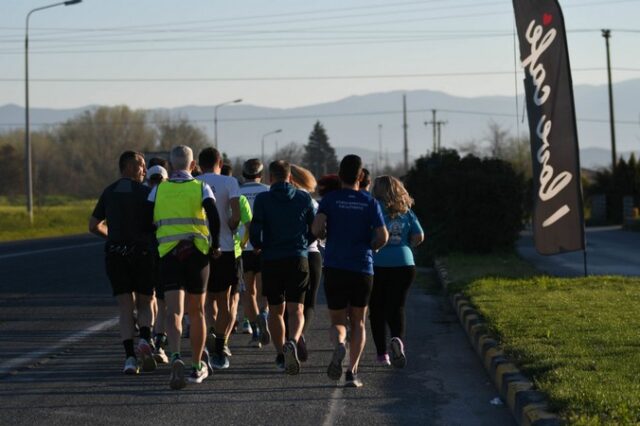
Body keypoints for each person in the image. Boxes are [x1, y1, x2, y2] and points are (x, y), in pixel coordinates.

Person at [148, 145, 221, 389]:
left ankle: (176, 355)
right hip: (196, 253)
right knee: (197, 311)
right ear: (192, 166)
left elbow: (148, 221)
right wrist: (215, 245)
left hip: (168, 253)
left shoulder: (158, 189)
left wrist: (155, 246)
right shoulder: (201, 186)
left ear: (170, 166)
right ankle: (197, 364)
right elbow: (213, 215)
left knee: (173, 312)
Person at [312, 155, 388, 388]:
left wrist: (325, 235)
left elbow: (316, 229)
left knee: (337, 321)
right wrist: (371, 247)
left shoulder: (330, 200)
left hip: (335, 267)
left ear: (339, 174)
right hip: (362, 268)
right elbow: (383, 236)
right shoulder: (369, 202)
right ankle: (351, 373)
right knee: (359, 322)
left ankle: (340, 343)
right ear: (360, 176)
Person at [89, 151, 158, 375]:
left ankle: (129, 358)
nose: (145, 170)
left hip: (116, 254)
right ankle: (146, 339)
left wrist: (111, 236)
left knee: (125, 307)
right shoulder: (147, 193)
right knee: (146, 302)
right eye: (141, 166)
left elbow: (93, 225)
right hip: (143, 253)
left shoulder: (108, 192)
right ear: (128, 166)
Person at [250, 160, 315, 375]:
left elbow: (255, 228)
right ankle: (293, 342)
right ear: (290, 177)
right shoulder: (304, 197)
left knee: (276, 311)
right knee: (296, 309)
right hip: (298, 257)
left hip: (271, 258)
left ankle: (280, 354)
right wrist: (305, 242)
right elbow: (314, 227)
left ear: (271, 178)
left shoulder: (263, 199)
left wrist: (259, 245)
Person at [370, 176, 424, 368]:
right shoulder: (406, 211)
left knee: (376, 308)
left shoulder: (373, 208)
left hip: (378, 264)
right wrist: (406, 245)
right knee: (397, 306)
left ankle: (382, 354)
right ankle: (397, 340)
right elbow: (419, 235)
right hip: (405, 264)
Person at [197, 147, 241, 370]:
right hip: (223, 247)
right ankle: (221, 344)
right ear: (220, 162)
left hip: (199, 248)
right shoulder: (229, 182)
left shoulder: (194, 182)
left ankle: (208, 338)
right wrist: (230, 228)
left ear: (197, 164)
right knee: (224, 300)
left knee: (203, 302)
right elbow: (237, 214)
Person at [289, 164, 321, 362]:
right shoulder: (313, 202)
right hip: (311, 253)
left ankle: (292, 337)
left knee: (288, 303)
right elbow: (319, 230)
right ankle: (298, 335)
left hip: (287, 254)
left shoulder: (284, 199)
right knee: (308, 302)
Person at [238, 159, 271, 348]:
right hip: (265, 246)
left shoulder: (237, 191)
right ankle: (264, 314)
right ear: (261, 174)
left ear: (243, 174)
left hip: (243, 248)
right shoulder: (267, 191)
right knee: (264, 289)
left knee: (249, 292)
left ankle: (255, 331)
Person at [146, 164, 170, 364]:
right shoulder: (168, 194)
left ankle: (149, 338)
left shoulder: (146, 196)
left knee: (149, 299)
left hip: (148, 252)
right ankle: (161, 344)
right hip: (168, 252)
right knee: (166, 304)